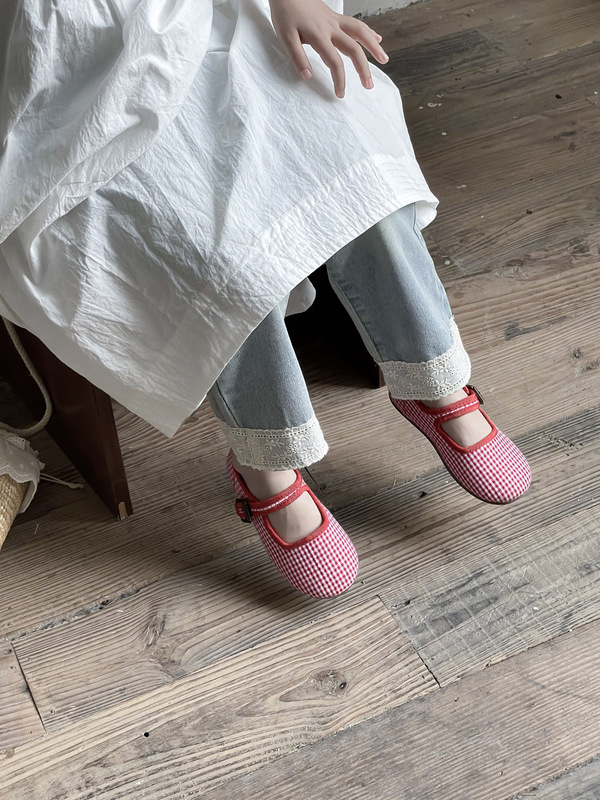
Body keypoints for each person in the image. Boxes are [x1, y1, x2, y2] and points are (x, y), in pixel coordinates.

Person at [0, 0, 531, 600]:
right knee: (216, 259)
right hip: (65, 62)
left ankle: (434, 381)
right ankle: (266, 460)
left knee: (356, 177)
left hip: (203, 18)